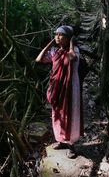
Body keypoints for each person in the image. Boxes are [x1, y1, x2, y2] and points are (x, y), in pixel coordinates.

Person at [35, 25, 83, 158]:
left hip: (70, 88)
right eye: (55, 34)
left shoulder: (75, 51)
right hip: (56, 88)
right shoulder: (55, 52)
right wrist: (50, 44)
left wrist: (72, 44)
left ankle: (71, 145)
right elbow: (39, 59)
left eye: (60, 35)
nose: (57, 37)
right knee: (57, 114)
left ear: (69, 38)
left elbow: (72, 57)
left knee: (70, 114)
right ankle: (61, 140)